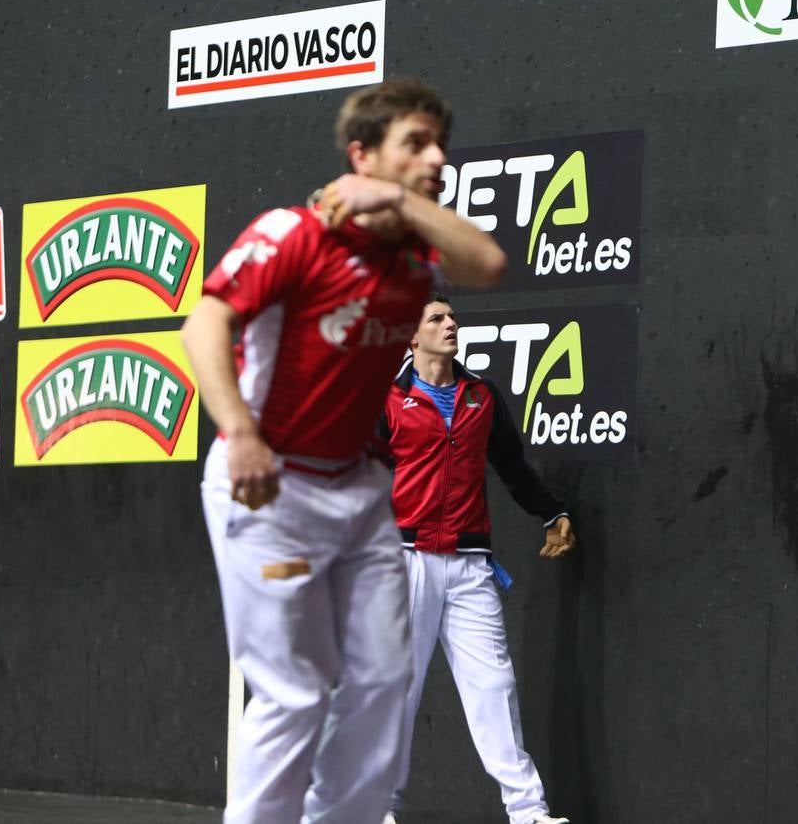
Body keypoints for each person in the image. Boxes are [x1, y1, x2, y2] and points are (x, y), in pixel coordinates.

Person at [181, 79, 506, 824]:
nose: (436, 159)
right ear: (362, 154)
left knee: (386, 679)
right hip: (270, 488)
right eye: (415, 145)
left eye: (440, 146)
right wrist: (241, 435)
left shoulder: (417, 263)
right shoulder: (296, 234)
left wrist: (395, 200)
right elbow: (204, 327)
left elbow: (486, 264)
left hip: (359, 497)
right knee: (296, 691)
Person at [380, 294, 576, 824]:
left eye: (451, 316)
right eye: (436, 319)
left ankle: (528, 812)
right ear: (412, 337)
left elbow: (513, 466)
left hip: (470, 565)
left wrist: (550, 512)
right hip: (405, 561)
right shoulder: (388, 399)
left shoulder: (480, 396)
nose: (451, 324)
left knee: (495, 687)